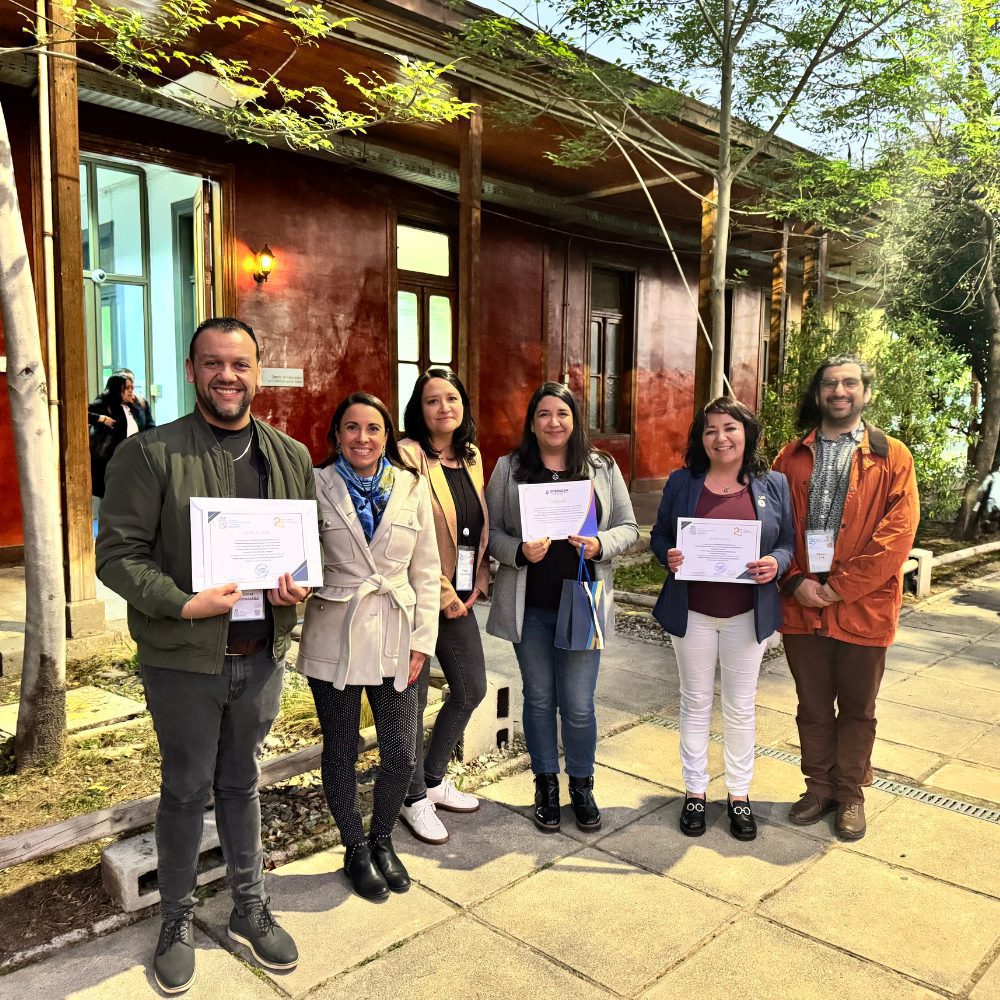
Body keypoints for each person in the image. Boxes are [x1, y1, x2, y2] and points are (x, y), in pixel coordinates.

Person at [96, 318, 311, 994]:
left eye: (240, 364)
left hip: (260, 653)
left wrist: (296, 585)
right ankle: (177, 919)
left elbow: (302, 552)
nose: (227, 376)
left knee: (242, 782)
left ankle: (250, 905)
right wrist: (185, 603)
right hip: (185, 660)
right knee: (186, 789)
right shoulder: (151, 454)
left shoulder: (289, 455)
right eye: (213, 363)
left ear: (257, 369)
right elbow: (118, 555)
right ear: (191, 370)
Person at [297, 392, 440, 901]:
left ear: (387, 435)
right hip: (334, 633)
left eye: (373, 428)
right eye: (352, 428)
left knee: (401, 753)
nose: (363, 438)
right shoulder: (314, 485)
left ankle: (383, 839)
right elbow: (295, 553)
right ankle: (355, 847)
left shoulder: (410, 486)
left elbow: (426, 570)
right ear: (337, 434)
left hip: (399, 636)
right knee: (340, 750)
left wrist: (424, 640)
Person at [773, 355, 919, 840]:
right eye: (830, 384)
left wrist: (838, 588)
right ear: (818, 395)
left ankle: (851, 793)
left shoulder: (892, 455)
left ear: (865, 393)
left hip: (863, 606)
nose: (840, 391)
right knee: (812, 705)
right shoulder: (789, 456)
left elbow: (896, 536)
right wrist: (795, 581)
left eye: (849, 383)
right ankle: (818, 788)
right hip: (801, 603)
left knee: (859, 708)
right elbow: (772, 526)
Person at [486, 382, 638, 833]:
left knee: (577, 704)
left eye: (563, 414)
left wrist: (599, 544)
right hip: (530, 606)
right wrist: (516, 550)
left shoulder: (601, 467)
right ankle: (545, 784)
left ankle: (582, 785)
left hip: (582, 603)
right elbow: (490, 533)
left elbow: (629, 527)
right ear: (531, 423)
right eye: (544, 415)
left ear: (575, 420)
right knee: (538, 699)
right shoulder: (509, 468)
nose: (554, 423)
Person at [650, 398, 794, 841]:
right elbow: (659, 536)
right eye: (710, 430)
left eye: (729, 428)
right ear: (701, 438)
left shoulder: (774, 484)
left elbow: (787, 544)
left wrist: (775, 563)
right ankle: (694, 791)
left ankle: (738, 794)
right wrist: (667, 555)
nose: (720, 437)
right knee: (693, 703)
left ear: (747, 433)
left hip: (745, 615)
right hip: (692, 612)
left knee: (740, 706)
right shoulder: (682, 482)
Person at [396, 367, 489, 845]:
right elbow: (410, 534)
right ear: (419, 409)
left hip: (463, 594)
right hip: (419, 596)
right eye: (432, 401)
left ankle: (432, 777)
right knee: (412, 698)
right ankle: (411, 798)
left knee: (471, 687)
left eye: (451, 399)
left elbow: (473, 523)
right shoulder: (408, 456)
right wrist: (446, 592)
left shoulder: (470, 456)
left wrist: (479, 579)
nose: (444, 408)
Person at [88, 374, 144, 498]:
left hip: (131, 460)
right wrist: (101, 419)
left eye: (132, 388)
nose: (131, 391)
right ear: (118, 389)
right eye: (127, 388)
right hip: (111, 460)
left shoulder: (132, 406)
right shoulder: (105, 402)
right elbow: (83, 412)